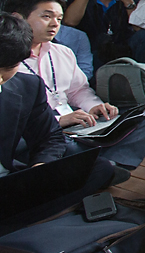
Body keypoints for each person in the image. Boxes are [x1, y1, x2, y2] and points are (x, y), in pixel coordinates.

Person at [7, 0, 145, 170]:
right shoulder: (7, 61)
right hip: (42, 131)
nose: (55, 24)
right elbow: (11, 120)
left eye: (59, 19)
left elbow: (78, 90)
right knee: (62, 144)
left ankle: (111, 165)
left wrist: (94, 106)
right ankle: (102, 168)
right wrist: (58, 121)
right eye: (47, 17)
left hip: (74, 120)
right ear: (18, 18)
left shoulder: (62, 52)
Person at [0, 12, 123, 234]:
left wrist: (40, 169)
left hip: (8, 180)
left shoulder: (27, 85)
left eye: (7, 69)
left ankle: (19, 222)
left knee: (99, 169)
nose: (0, 79)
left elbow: (50, 136)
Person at [62, 0, 137, 68]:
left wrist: (128, 2)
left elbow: (138, 27)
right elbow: (70, 22)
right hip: (91, 46)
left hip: (123, 46)